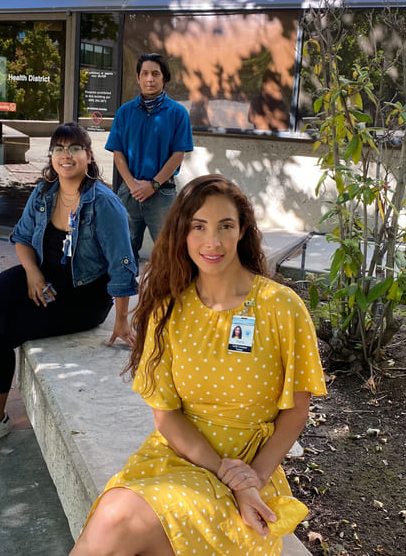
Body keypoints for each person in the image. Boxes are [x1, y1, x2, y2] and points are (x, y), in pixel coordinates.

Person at [71, 174, 327, 556]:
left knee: (117, 522)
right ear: (181, 234)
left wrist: (250, 478)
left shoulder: (281, 307)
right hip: (179, 457)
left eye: (225, 226)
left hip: (252, 467)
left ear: (242, 231)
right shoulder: (169, 307)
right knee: (115, 518)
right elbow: (167, 416)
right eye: (199, 227)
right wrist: (229, 476)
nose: (213, 242)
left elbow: (295, 412)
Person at [0, 122, 138, 446]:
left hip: (83, 299)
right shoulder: (45, 192)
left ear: (89, 157)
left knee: (5, 330)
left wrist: (120, 320)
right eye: (59, 148)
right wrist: (33, 274)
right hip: (45, 278)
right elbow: (21, 238)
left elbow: (122, 267)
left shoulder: (103, 204)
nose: (66, 155)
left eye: (75, 148)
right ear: (51, 156)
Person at [105, 53, 194, 260]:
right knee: (122, 254)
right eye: (144, 73)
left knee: (170, 254)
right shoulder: (125, 112)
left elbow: (177, 155)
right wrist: (133, 186)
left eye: (155, 74)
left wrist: (152, 185)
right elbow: (118, 154)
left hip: (161, 194)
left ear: (164, 78)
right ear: (138, 78)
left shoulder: (177, 113)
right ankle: (124, 293)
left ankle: (168, 293)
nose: (149, 79)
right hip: (129, 193)